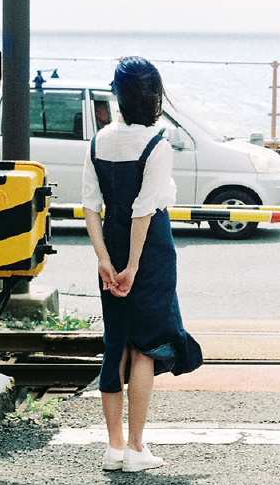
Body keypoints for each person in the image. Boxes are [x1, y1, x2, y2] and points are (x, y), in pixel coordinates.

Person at [81, 56, 203, 472]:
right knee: (146, 344)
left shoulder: (98, 142)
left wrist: (105, 260)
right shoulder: (157, 144)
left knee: (115, 340)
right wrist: (133, 266)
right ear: (153, 97)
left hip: (108, 248)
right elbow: (144, 210)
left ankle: (114, 447)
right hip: (148, 250)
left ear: (117, 95)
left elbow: (90, 206)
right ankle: (136, 448)